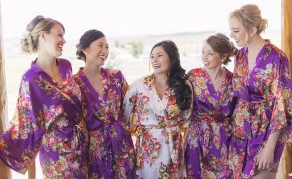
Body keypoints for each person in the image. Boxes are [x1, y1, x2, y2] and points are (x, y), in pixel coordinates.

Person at [0, 16, 89, 178]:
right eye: (59, 35)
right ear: (43, 36)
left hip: (82, 147)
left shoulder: (65, 66)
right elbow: (24, 122)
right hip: (57, 155)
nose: (64, 40)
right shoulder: (31, 79)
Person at [228, 4, 292, 179]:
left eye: (236, 31)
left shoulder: (276, 56)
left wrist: (270, 147)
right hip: (240, 132)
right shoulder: (241, 56)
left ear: (251, 30)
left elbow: (281, 102)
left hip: (267, 133)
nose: (232, 35)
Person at [124, 40, 193, 179]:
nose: (154, 60)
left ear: (172, 59)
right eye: (152, 56)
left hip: (174, 146)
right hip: (148, 150)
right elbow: (125, 114)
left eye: (159, 55)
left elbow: (187, 118)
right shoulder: (139, 86)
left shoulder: (183, 86)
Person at [74, 29, 136, 178]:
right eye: (100, 46)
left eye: (107, 47)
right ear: (85, 49)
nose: (105, 51)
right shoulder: (74, 84)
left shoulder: (116, 77)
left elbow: (131, 108)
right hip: (95, 151)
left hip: (122, 145)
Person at [185, 33, 237, 179]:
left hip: (223, 139)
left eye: (210, 53)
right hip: (197, 137)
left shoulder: (233, 80)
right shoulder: (193, 76)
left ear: (223, 55)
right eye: (203, 52)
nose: (204, 57)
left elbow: (237, 112)